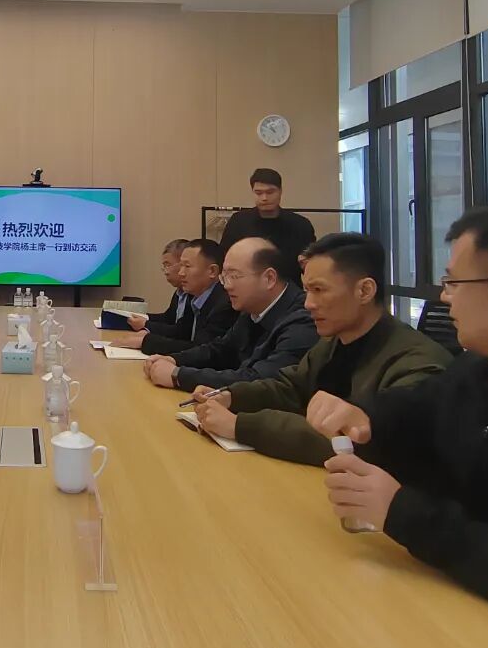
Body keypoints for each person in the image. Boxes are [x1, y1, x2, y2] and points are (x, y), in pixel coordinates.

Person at [307, 201, 488, 638]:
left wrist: (406, 516)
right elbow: (415, 414)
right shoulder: (479, 371)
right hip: (452, 611)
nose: (443, 296)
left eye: (453, 282)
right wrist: (363, 418)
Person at [191, 232, 451, 463]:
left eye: (319, 290)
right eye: (307, 290)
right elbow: (290, 387)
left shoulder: (417, 363)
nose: (308, 303)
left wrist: (239, 425)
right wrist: (230, 396)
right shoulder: (333, 342)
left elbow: (353, 438)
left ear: (364, 291)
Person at [143, 237, 317, 392]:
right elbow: (220, 349)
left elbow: (260, 381)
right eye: (224, 277)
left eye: (234, 276)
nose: (227, 285)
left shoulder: (304, 319)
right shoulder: (251, 308)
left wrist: (178, 375)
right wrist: (173, 360)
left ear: (269, 278)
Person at [114, 238, 236, 355]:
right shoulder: (195, 298)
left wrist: (146, 340)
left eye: (187, 266)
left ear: (212, 271)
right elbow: (181, 333)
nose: (181, 273)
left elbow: (201, 351)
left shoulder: (224, 305)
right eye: (181, 266)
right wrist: (148, 335)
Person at [219, 168, 316, 283]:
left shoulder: (300, 225)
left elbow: (311, 266)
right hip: (247, 287)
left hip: (289, 288)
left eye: (270, 192)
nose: (264, 198)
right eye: (258, 193)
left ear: (280, 191)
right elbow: (224, 257)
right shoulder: (238, 221)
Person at [127, 238, 192, 332]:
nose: (166, 272)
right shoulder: (179, 292)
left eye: (168, 265)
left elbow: (182, 332)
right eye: (164, 266)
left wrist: (146, 325)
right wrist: (141, 317)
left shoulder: (193, 294)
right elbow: (168, 318)